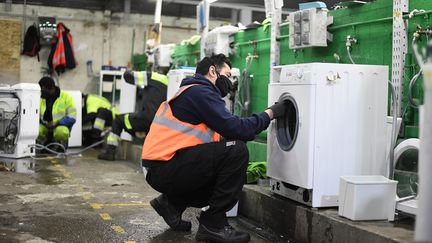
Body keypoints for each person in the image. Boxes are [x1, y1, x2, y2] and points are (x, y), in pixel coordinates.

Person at [141, 54, 286, 243]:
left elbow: (227, 136)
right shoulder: (200, 92)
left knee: (225, 167)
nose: (230, 82)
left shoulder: (193, 92)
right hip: (163, 169)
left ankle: (171, 204)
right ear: (212, 71)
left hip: (161, 168)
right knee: (237, 151)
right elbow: (237, 129)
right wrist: (271, 113)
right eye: (227, 75)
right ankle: (213, 225)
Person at [97, 70, 168, 160]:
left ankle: (110, 152)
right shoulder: (170, 83)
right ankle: (139, 137)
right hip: (159, 123)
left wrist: (130, 70)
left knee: (118, 120)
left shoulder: (153, 76)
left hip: (146, 119)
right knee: (132, 121)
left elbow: (128, 76)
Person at [38, 77, 76, 149]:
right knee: (36, 130)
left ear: (52, 88)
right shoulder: (41, 98)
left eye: (43, 90)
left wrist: (57, 122)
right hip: (45, 126)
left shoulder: (67, 97)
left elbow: (72, 118)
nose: (41, 93)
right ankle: (42, 145)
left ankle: (60, 146)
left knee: (61, 132)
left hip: (59, 126)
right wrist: (45, 123)